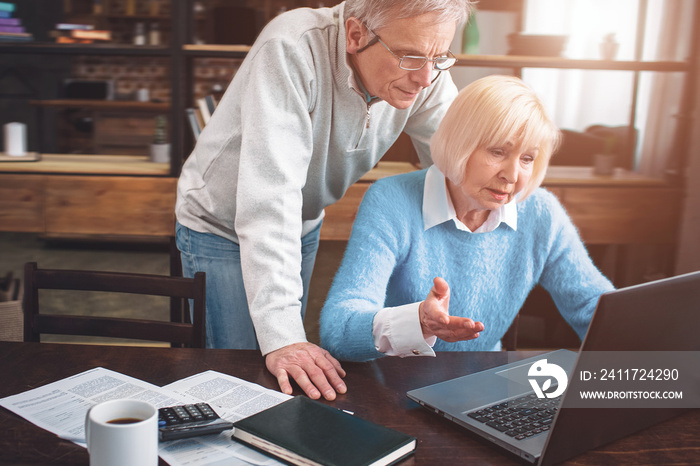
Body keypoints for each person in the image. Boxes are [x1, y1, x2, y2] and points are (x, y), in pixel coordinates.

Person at [175, 0, 475, 400]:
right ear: (355, 35)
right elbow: (270, 199)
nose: (425, 77)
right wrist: (282, 338)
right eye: (409, 57)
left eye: (439, 58)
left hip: (301, 219)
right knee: (243, 373)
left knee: (284, 372)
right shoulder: (292, 46)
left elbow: (458, 156)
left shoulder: (425, 69)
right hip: (221, 222)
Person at [320, 75, 615, 362]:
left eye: (527, 158)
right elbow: (339, 329)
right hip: (393, 384)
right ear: (459, 143)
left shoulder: (541, 212)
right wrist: (418, 322)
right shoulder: (390, 200)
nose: (512, 176)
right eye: (498, 152)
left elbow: (595, 306)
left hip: (485, 382)